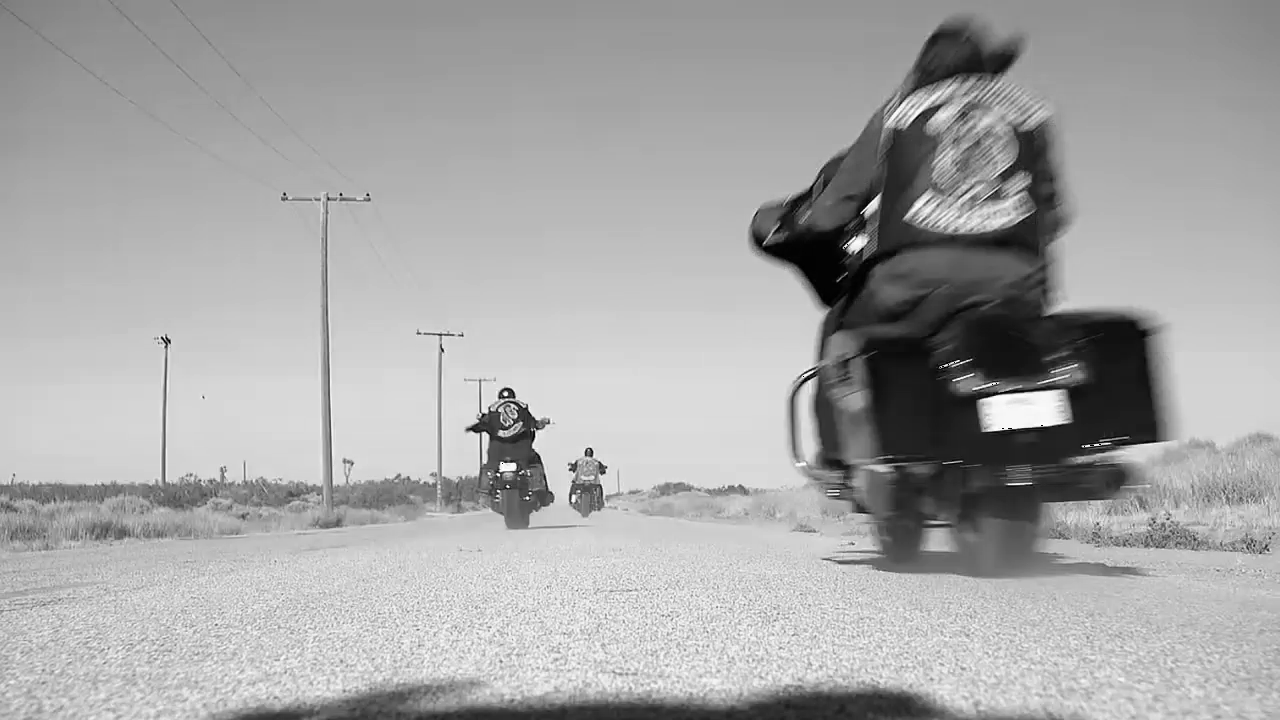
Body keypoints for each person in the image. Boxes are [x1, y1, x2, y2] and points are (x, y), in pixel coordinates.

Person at [751, 15, 1071, 482]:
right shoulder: (1030, 111)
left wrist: (799, 224)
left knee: (839, 334)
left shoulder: (902, 110)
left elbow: (836, 207)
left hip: (911, 281)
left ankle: (839, 457)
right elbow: (1055, 213)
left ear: (923, 66)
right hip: (1019, 282)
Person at [466, 387, 554, 506]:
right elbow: (534, 424)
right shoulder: (522, 409)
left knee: (488, 468)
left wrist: (472, 428)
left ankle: (484, 493)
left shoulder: (493, 411)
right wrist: (542, 423)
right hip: (521, 451)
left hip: (498, 452)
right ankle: (542, 493)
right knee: (535, 462)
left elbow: (482, 425)